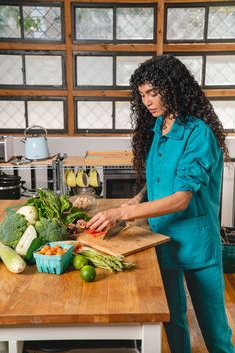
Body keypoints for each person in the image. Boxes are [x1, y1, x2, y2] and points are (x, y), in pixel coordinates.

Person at [86, 54, 235, 353]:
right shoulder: (159, 127)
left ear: (173, 88)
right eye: (142, 95)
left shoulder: (198, 134)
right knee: (174, 320)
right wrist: (139, 197)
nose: (148, 102)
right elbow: (159, 177)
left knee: (213, 327)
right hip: (161, 238)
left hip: (196, 243)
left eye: (153, 93)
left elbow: (181, 198)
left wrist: (123, 212)